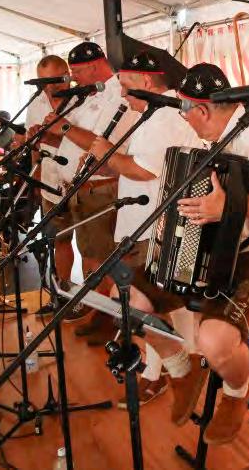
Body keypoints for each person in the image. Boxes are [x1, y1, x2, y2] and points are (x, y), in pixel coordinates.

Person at [124, 63, 249, 445]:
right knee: (132, 301)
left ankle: (236, 393)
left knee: (215, 341)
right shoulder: (208, 138)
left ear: (201, 110)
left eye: (185, 110)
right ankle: (181, 369)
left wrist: (227, 208)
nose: (183, 119)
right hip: (209, 249)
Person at [84, 51, 196, 408]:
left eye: (126, 84)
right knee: (155, 307)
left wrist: (106, 152)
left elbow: (144, 170)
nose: (121, 93)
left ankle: (176, 370)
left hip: (154, 229)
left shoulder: (164, 117)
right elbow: (140, 167)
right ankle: (163, 372)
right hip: (144, 226)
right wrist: (107, 165)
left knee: (139, 306)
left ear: (147, 81)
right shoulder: (154, 115)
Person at [43, 41, 138, 343]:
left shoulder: (118, 96)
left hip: (101, 188)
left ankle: (109, 318)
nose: (73, 78)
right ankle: (99, 309)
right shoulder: (86, 96)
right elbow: (72, 141)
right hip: (79, 188)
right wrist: (49, 135)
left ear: (96, 65)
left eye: (78, 72)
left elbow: (101, 144)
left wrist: (64, 128)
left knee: (102, 258)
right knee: (91, 255)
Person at [24, 55, 75, 304]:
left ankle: (95, 305)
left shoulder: (84, 100)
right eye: (44, 82)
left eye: (56, 79)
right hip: (49, 182)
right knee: (59, 240)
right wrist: (34, 176)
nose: (50, 87)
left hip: (81, 182)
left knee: (92, 249)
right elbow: (33, 144)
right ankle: (63, 294)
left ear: (68, 75)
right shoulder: (36, 103)